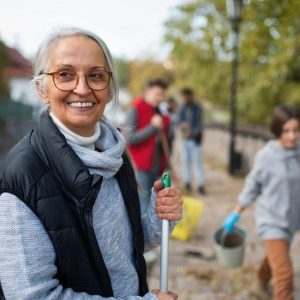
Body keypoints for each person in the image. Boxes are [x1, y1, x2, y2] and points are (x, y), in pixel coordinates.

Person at [0, 27, 182, 300]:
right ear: (41, 89)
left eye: (96, 75)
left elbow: (119, 248)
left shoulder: (113, 154)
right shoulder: (24, 175)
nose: (82, 88)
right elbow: (33, 296)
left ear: (109, 89)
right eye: (65, 74)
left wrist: (159, 219)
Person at [223, 105, 300, 300]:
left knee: (275, 258)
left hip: (291, 220)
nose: (292, 136)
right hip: (271, 220)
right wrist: (236, 211)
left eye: (296, 130)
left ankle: (259, 283)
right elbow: (252, 185)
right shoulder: (267, 156)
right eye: (286, 131)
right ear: (277, 130)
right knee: (284, 275)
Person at [125, 79, 170, 215]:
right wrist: (153, 127)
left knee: (154, 203)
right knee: (143, 204)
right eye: (157, 94)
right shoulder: (135, 109)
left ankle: (152, 235)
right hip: (141, 167)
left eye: (162, 95)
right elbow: (130, 138)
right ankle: (143, 236)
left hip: (156, 167)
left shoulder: (158, 111)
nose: (160, 98)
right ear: (147, 91)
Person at [178, 88, 205, 194]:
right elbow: (178, 122)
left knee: (197, 163)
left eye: (186, 96)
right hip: (185, 140)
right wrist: (182, 126)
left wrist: (192, 133)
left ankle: (200, 184)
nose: (185, 98)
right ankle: (187, 183)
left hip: (195, 140)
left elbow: (199, 125)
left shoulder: (197, 108)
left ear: (190, 96)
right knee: (185, 162)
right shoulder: (182, 109)